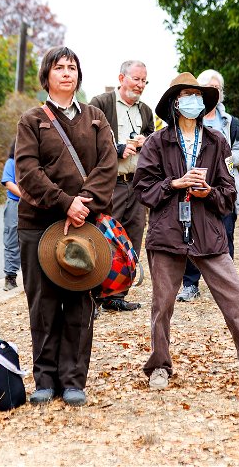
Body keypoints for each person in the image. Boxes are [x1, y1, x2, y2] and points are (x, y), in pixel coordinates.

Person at [135, 73, 239, 390]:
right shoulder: (157, 143)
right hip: (167, 233)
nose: (193, 101)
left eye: (197, 95)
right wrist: (175, 184)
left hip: (208, 231)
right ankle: (159, 365)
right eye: (186, 95)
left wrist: (207, 192)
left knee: (235, 295)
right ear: (176, 102)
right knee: (162, 304)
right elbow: (142, 189)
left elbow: (229, 193)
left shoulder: (217, 142)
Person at [15, 47, 117, 407]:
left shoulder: (95, 117)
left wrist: (82, 203)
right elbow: (27, 169)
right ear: (47, 75)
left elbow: (108, 164)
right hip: (38, 224)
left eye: (72, 67)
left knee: (78, 300)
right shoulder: (31, 120)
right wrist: (64, 202)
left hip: (83, 225)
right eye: (59, 67)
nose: (66, 73)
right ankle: (44, 379)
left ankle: (74, 380)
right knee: (42, 304)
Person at [88, 59, 154, 312]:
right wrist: (116, 149)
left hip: (136, 184)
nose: (140, 85)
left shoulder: (146, 110)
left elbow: (153, 139)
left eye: (144, 81)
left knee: (133, 237)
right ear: (121, 78)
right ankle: (92, 295)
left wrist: (145, 141)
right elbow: (88, 140)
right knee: (103, 238)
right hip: (109, 184)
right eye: (136, 79)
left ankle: (116, 295)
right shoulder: (100, 104)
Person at [176, 68, 239, 302]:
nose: (215, 92)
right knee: (191, 235)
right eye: (210, 88)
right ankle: (190, 284)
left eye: (218, 88)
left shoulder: (230, 122)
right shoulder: (189, 119)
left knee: (225, 233)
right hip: (192, 189)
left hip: (223, 186)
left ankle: (227, 284)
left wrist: (222, 160)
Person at [0, 140, 22, 291]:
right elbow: (8, 182)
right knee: (12, 239)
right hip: (15, 203)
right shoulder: (11, 162)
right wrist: (26, 196)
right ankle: (10, 276)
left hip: (36, 205)